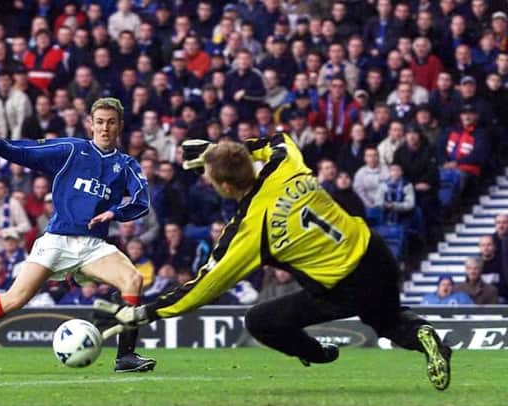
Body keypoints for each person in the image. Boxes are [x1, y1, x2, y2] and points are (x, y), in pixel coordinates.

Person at [97, 133, 452, 391]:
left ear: (223, 186)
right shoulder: (286, 164)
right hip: (376, 253)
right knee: (388, 320)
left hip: (343, 285)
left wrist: (146, 311)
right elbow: (276, 138)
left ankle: (319, 354)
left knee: (260, 320)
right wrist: (217, 150)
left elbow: (202, 288)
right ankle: (424, 335)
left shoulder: (249, 230)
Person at [0, 98, 156, 374]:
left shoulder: (126, 164)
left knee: (133, 280)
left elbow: (142, 201)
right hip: (57, 240)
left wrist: (115, 213)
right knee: (14, 299)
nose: (104, 128)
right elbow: (32, 152)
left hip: (93, 245)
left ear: (120, 126)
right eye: (99, 122)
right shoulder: (74, 149)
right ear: (90, 124)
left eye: (110, 122)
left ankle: (125, 357)